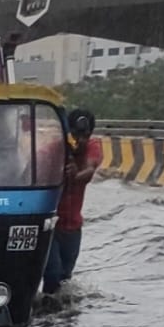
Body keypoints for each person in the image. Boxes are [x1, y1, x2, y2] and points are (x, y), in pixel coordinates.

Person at [43, 108, 101, 297]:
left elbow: (90, 171)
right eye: (76, 135)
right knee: (52, 273)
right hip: (50, 224)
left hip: (73, 226)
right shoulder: (54, 149)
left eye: (85, 135)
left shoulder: (93, 147)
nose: (80, 141)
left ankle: (58, 319)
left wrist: (75, 175)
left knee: (65, 277)